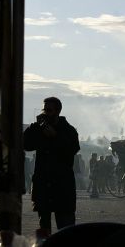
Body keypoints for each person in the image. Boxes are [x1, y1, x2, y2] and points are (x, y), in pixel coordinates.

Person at [23, 97, 80, 233]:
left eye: (49, 110)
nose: (46, 113)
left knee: (66, 230)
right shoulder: (39, 129)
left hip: (62, 187)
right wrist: (35, 127)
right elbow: (26, 144)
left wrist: (56, 136)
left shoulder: (69, 130)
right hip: (43, 185)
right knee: (44, 231)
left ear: (57, 111)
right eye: (44, 110)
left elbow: (72, 149)